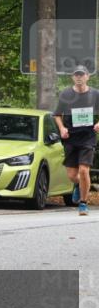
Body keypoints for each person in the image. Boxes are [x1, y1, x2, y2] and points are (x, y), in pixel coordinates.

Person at [53, 65, 99, 216]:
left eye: (82, 74)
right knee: (73, 176)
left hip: (88, 136)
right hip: (71, 137)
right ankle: (79, 185)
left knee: (84, 170)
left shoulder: (95, 94)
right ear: (73, 77)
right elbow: (57, 114)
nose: (79, 77)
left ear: (87, 77)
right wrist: (62, 129)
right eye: (76, 75)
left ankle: (83, 203)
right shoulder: (66, 94)